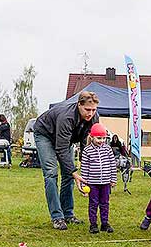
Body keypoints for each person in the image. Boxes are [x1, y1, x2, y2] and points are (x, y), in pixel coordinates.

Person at [34, 91, 99, 230]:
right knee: (51, 173)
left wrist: (85, 173)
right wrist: (75, 173)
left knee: (68, 175)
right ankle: (57, 217)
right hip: (45, 134)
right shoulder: (67, 117)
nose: (91, 113)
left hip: (65, 140)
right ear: (79, 105)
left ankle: (68, 214)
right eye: (87, 109)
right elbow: (61, 149)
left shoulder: (94, 117)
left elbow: (86, 145)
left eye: (94, 110)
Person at [81, 123, 117, 234]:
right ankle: (93, 224)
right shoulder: (87, 151)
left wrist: (113, 178)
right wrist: (84, 184)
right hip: (92, 183)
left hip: (105, 182)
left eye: (103, 138)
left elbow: (112, 164)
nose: (101, 141)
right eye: (99, 138)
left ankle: (105, 223)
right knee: (93, 204)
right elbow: (84, 168)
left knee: (105, 203)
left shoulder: (107, 149)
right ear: (92, 137)